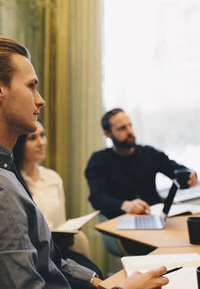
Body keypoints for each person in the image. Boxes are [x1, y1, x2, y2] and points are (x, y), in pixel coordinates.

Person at [0, 37, 169, 288]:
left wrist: (97, 283)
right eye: (31, 86)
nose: (41, 100)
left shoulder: (8, 170)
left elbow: (51, 258)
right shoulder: (3, 189)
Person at [13, 119, 103, 279]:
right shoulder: (13, 183)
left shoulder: (53, 178)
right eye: (32, 138)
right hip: (34, 256)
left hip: (58, 251)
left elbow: (61, 223)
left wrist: (67, 233)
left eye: (42, 135)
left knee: (96, 274)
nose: (41, 142)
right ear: (20, 144)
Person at [85, 108, 198, 219]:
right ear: (108, 134)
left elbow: (176, 171)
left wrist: (191, 175)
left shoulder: (149, 153)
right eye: (122, 128)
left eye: (130, 125)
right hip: (122, 222)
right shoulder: (98, 160)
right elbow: (97, 197)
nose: (129, 131)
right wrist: (125, 205)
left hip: (155, 217)